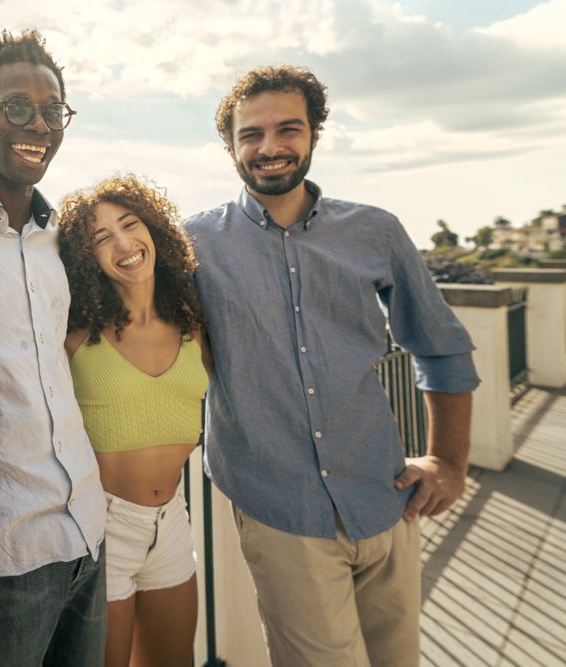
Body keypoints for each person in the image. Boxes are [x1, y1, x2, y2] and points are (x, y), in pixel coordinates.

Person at [185, 65, 480, 667]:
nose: (269, 148)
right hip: (280, 510)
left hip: (385, 496)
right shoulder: (195, 245)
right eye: (251, 135)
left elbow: (442, 347)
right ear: (230, 147)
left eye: (287, 129)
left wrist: (449, 461)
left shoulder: (376, 231)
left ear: (315, 134)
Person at [0, 29, 108, 666]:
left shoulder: (60, 239)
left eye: (52, 111)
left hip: (88, 532)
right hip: (2, 557)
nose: (38, 124)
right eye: (17, 107)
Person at [58, 175, 209, 667]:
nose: (123, 243)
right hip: (102, 529)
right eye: (101, 238)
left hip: (172, 521)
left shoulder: (192, 324)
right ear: (87, 259)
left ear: (154, 231)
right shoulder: (76, 334)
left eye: (129, 224)